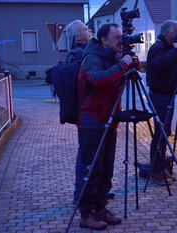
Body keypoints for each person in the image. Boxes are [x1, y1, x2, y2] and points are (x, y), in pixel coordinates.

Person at [76, 23, 132, 230]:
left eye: (121, 37)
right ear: (104, 40)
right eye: (116, 37)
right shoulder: (92, 57)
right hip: (92, 121)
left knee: (106, 169)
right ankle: (85, 214)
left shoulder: (112, 57)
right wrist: (122, 65)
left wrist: (127, 63)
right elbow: (99, 80)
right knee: (92, 170)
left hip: (110, 119)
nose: (121, 40)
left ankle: (100, 208)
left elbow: (119, 79)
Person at [65, 20, 116, 205]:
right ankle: (82, 196)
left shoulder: (78, 53)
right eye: (86, 30)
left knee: (91, 159)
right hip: (90, 115)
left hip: (92, 114)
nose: (90, 32)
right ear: (78, 37)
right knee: (87, 161)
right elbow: (96, 80)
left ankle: (94, 195)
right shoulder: (85, 55)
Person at [146, 20, 177, 185]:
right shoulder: (158, 47)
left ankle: (160, 167)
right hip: (160, 95)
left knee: (165, 132)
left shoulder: (169, 48)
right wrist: (176, 50)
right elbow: (161, 64)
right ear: (167, 33)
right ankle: (156, 171)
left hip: (168, 94)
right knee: (161, 133)